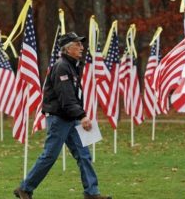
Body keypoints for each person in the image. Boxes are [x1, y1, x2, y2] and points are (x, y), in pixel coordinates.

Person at [14, 32, 112, 199]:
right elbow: (66, 98)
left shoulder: (72, 65)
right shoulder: (62, 66)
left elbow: (73, 97)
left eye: (81, 44)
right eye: (77, 44)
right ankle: (25, 188)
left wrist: (79, 115)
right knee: (50, 155)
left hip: (71, 117)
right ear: (67, 49)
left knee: (84, 155)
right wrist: (82, 116)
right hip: (59, 119)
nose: (82, 47)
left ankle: (92, 193)